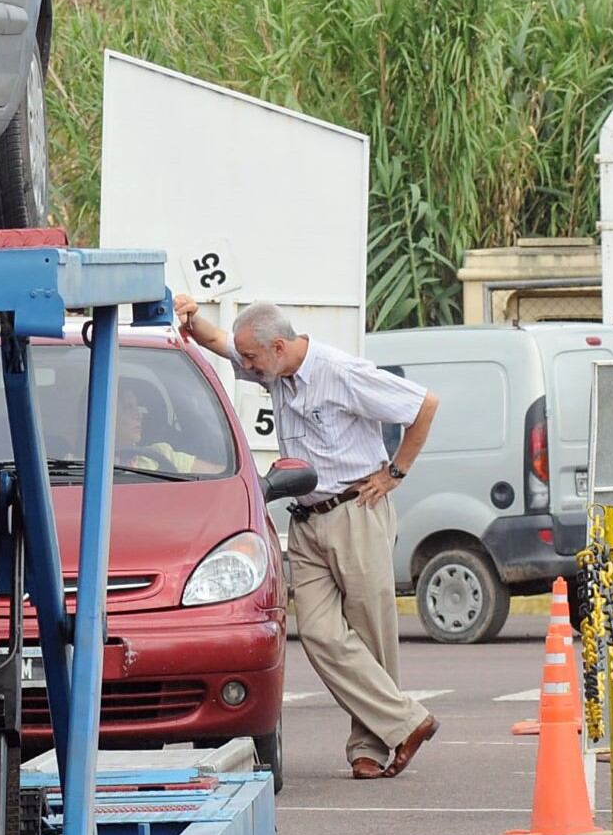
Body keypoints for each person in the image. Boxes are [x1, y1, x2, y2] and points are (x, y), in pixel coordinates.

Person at [175, 295, 442, 780]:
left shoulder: (340, 371)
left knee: (370, 634)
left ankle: (371, 745)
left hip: (355, 511)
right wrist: (191, 318)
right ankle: (406, 721)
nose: (248, 368)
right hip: (306, 516)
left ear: (278, 347)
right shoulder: (273, 368)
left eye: (252, 358)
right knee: (318, 632)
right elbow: (217, 342)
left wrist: (396, 472)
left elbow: (423, 404)